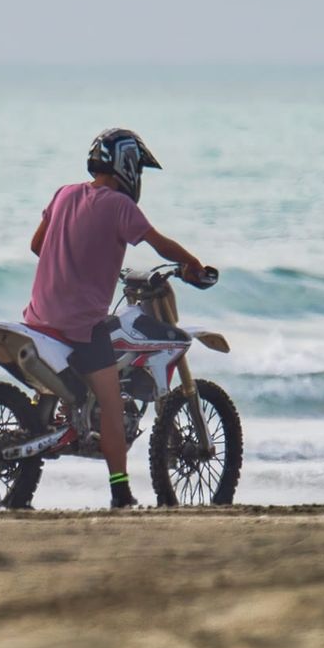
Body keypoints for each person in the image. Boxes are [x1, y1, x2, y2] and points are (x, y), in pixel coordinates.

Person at [23, 128, 206, 509]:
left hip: (37, 317)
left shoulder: (64, 193)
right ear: (127, 166)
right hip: (78, 326)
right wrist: (193, 264)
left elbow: (38, 245)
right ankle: (120, 490)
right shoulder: (121, 207)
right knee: (111, 402)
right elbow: (159, 243)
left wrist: (75, 261)